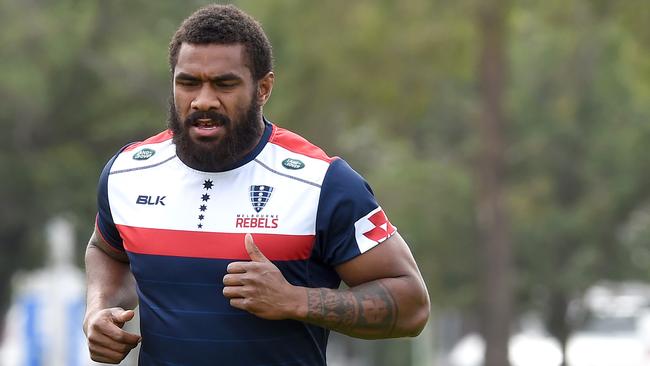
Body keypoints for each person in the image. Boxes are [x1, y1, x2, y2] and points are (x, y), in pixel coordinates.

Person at [83, 4, 430, 366]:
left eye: (224, 84)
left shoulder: (323, 184)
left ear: (263, 88)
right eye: (188, 83)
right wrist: (99, 309)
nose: (203, 100)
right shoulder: (127, 172)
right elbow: (107, 250)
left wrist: (295, 300)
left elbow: (412, 306)